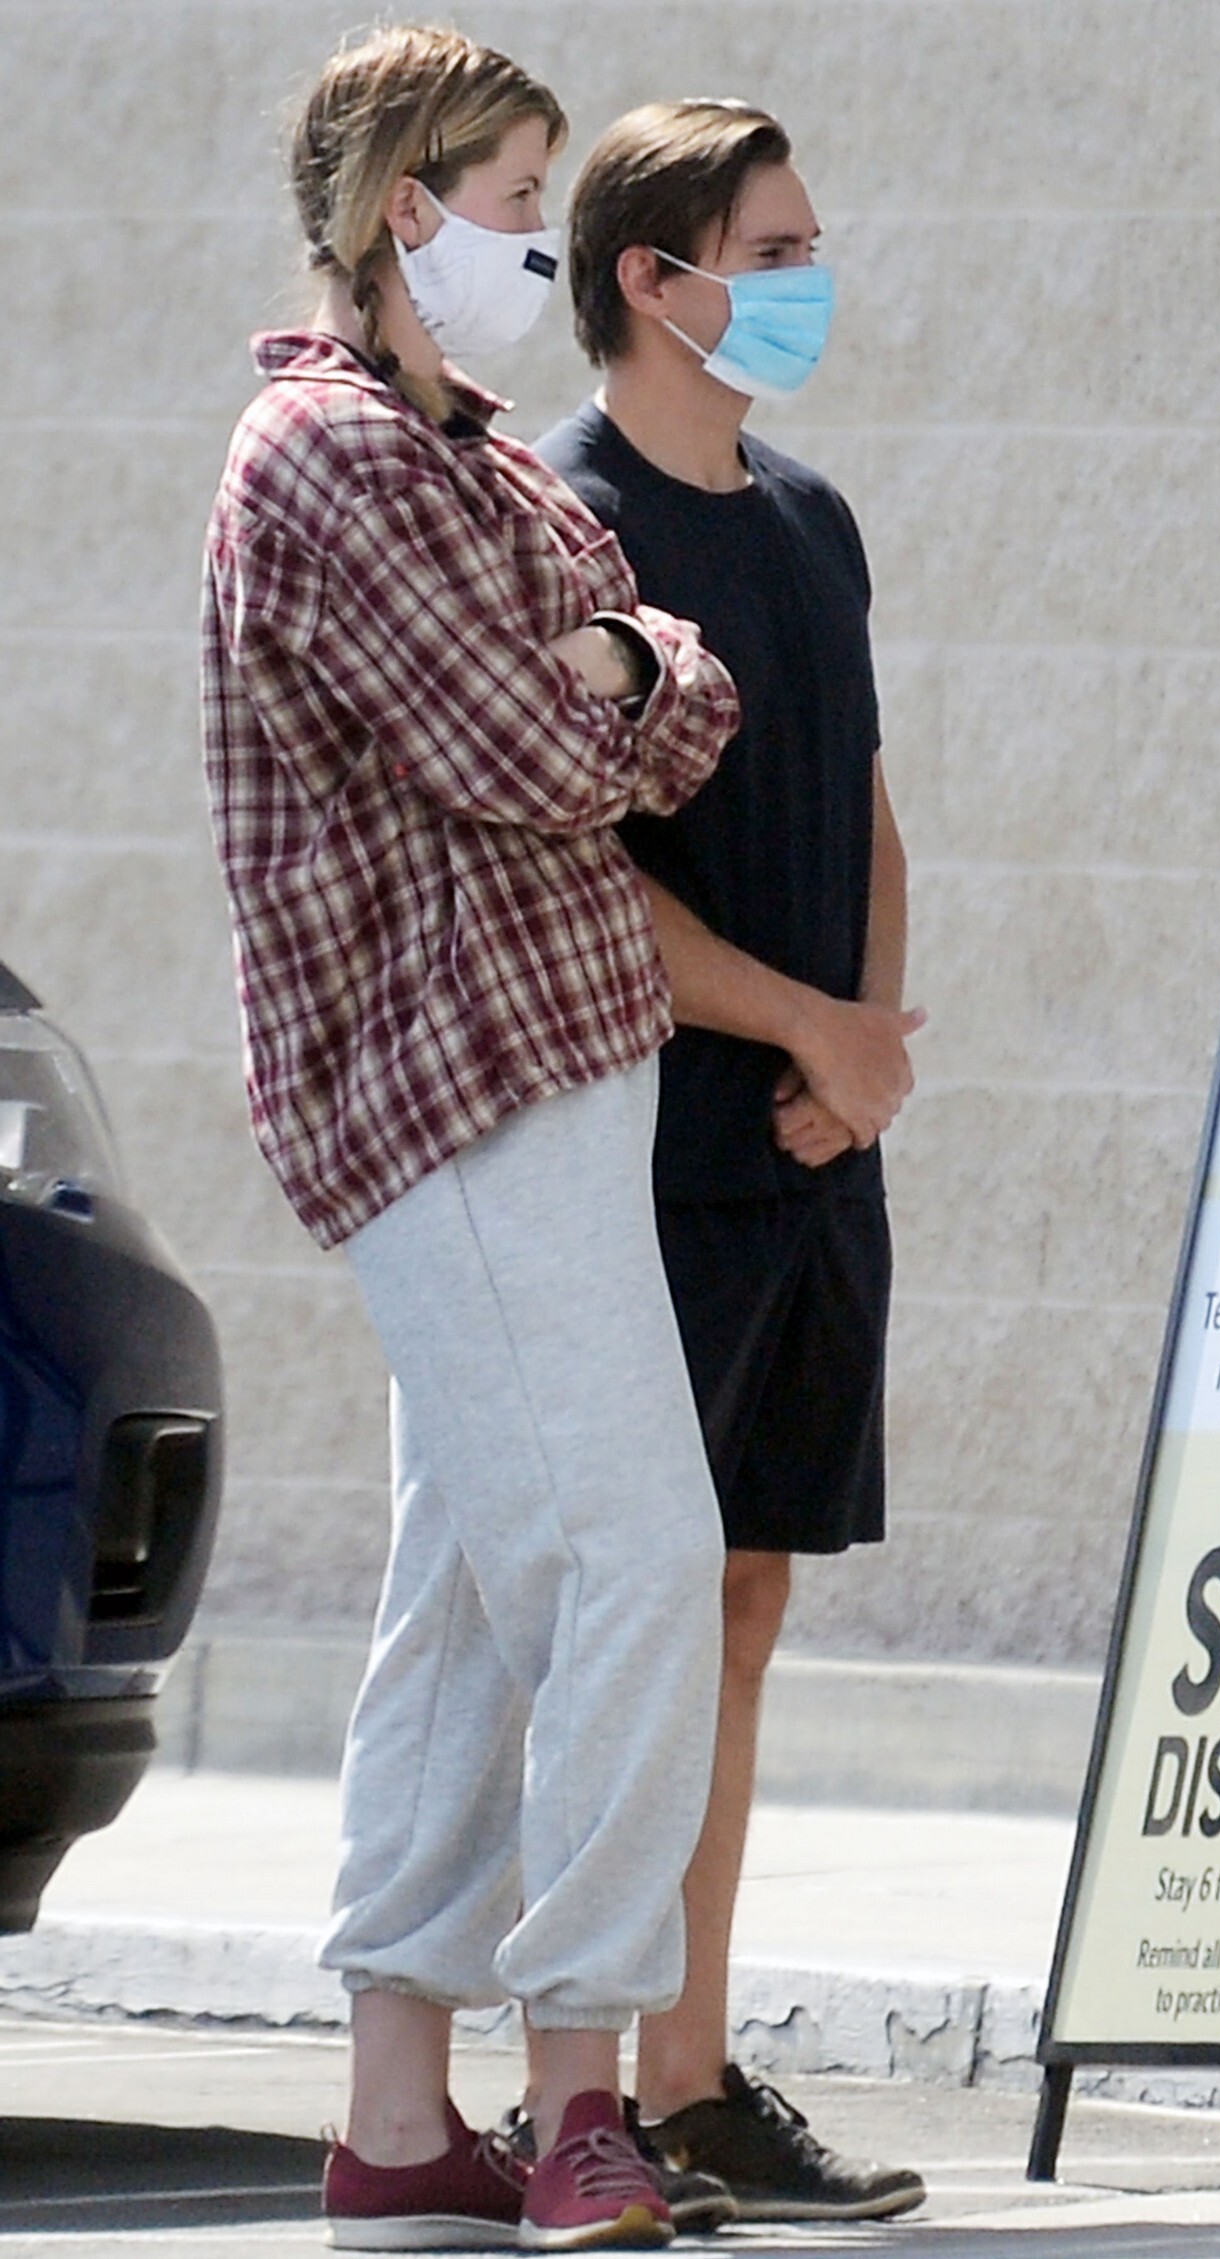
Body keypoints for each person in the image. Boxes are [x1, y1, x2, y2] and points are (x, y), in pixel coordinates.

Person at [199, 26, 744, 2253]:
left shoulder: (488, 458)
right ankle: (583, 2084)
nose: (543, 233)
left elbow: (689, 690)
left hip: (548, 1076)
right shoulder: (327, 456)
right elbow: (542, 742)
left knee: (460, 1604)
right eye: (520, 195)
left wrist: (621, 668)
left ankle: (398, 2123)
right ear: (406, 210)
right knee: (636, 1560)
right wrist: (613, 670)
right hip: (451, 1093)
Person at [535, 100, 926, 2222]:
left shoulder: (810, 517)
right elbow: (579, 878)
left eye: (804, 246)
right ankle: (576, 2082)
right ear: (648, 279)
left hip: (812, 1145)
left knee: (747, 1600)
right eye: (768, 251)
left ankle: (690, 2082)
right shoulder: (566, 526)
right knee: (636, 1619)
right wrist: (798, 1031)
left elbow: (864, 805)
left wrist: (862, 1052)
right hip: (650, 1153)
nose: (804, 284)